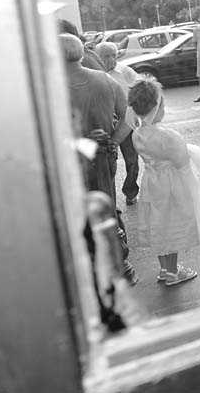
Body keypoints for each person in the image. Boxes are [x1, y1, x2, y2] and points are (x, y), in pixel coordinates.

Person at [61, 34, 137, 285]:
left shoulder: (50, 87)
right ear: (82, 54)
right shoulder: (104, 79)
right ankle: (119, 264)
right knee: (107, 206)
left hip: (70, 162)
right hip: (104, 157)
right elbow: (129, 118)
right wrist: (113, 142)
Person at [128, 78, 200, 286]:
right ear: (156, 107)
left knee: (158, 225)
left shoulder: (136, 134)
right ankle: (173, 273)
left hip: (151, 182)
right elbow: (181, 162)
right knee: (171, 225)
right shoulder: (168, 136)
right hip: (171, 185)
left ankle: (164, 269)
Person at [95, 41, 140, 205]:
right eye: (106, 56)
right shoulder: (95, 74)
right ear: (98, 57)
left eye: (113, 55)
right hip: (105, 123)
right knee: (107, 162)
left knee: (132, 160)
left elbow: (142, 90)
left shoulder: (126, 72)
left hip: (126, 122)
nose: (111, 59)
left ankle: (130, 191)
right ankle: (108, 197)